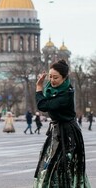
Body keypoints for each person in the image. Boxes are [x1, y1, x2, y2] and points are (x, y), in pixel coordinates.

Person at [34, 59, 90, 187]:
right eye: (50, 77)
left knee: (63, 166)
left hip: (68, 134)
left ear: (64, 78)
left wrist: (38, 87)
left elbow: (43, 105)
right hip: (56, 132)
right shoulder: (51, 89)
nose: (52, 80)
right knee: (49, 164)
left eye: (56, 77)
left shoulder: (66, 94)